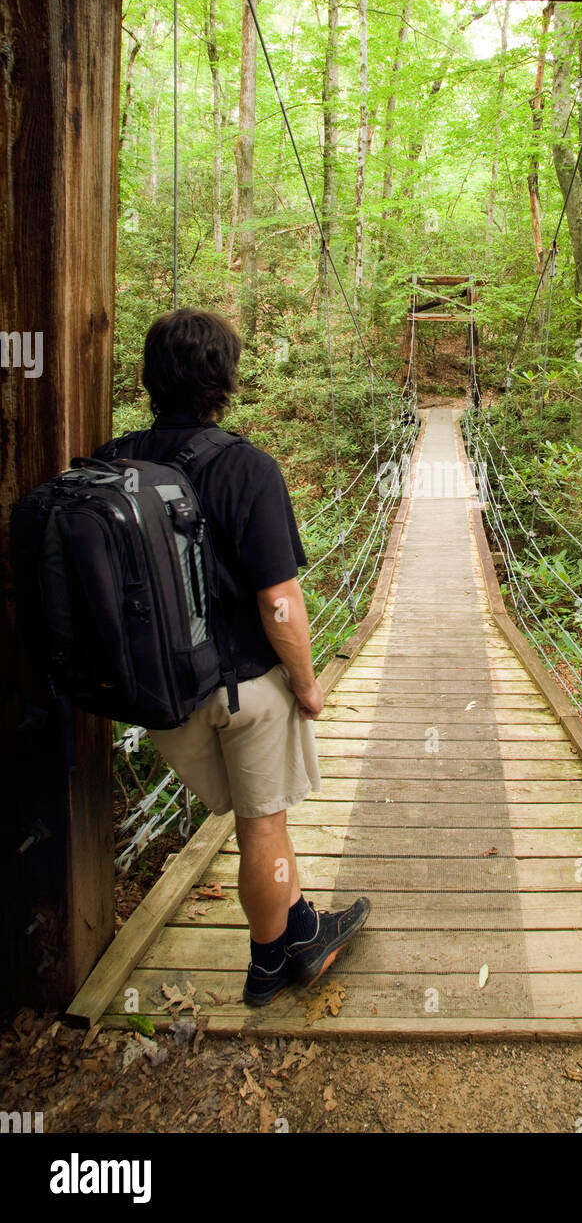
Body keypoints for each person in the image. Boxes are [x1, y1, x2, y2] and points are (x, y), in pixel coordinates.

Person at [94, 307, 369, 1007]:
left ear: (146, 377)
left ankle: (302, 922)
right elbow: (279, 602)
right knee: (264, 827)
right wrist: (307, 685)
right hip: (240, 692)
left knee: (260, 825)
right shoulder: (248, 468)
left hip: (157, 698)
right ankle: (269, 965)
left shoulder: (113, 462)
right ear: (227, 380)